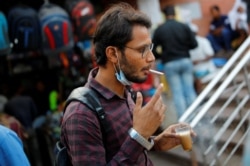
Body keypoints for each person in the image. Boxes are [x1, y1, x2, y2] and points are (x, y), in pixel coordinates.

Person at [60, 2, 195, 165]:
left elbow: (122, 145)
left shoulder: (125, 91)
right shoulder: (81, 115)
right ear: (113, 54)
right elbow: (133, 141)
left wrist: (156, 142)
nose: (151, 58)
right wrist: (139, 135)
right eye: (141, 50)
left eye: (150, 48)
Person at [152, 5, 198, 119]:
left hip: (170, 63)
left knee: (177, 94)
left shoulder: (160, 29)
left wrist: (162, 55)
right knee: (190, 90)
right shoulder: (183, 26)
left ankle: (185, 122)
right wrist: (183, 48)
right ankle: (197, 117)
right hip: (185, 60)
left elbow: (152, 49)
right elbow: (194, 44)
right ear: (175, 14)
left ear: (164, 15)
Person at [189, 24, 218, 94]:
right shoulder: (187, 44)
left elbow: (210, 55)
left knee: (198, 78)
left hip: (205, 68)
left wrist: (198, 61)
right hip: (194, 70)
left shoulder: (203, 41)